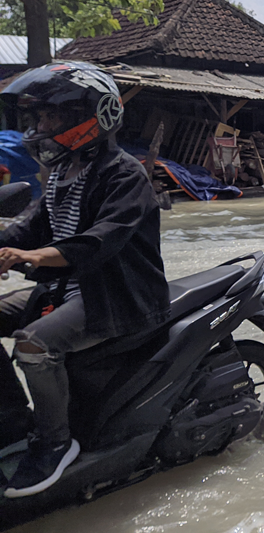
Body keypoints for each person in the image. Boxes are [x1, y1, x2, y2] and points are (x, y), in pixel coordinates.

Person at [0, 61, 170, 497]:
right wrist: (9, 243)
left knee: (33, 343)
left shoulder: (124, 174)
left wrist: (32, 255)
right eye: (37, 118)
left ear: (91, 115)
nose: (40, 126)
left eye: (50, 116)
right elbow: (33, 225)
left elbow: (100, 242)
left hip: (116, 293)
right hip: (66, 286)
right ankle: (13, 422)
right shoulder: (61, 171)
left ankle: (55, 443)